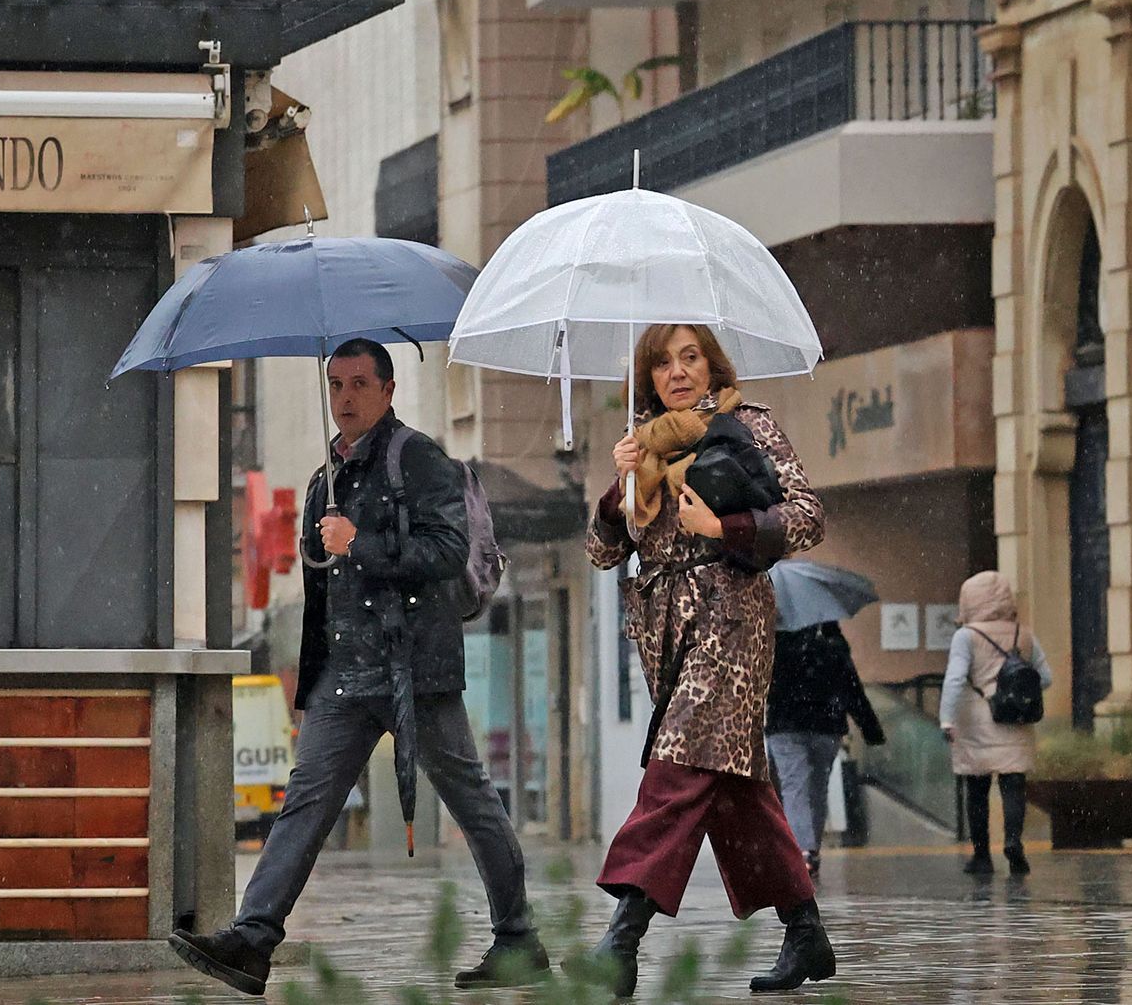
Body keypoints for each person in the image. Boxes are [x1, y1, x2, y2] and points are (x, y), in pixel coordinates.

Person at [169, 338, 545, 996]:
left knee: (472, 801)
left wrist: (360, 541)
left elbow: (447, 551)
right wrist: (310, 684)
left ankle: (518, 937)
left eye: (358, 384)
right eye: (335, 384)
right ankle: (253, 939)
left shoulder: (418, 458)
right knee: (304, 804)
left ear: (387, 390)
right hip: (344, 677)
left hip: (414, 672)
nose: (344, 397)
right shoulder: (324, 480)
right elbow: (321, 598)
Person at [567, 323, 834, 998]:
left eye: (690, 357)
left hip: (733, 617)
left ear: (711, 365)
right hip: (665, 630)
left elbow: (807, 514)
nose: (677, 371)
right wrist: (617, 488)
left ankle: (621, 940)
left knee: (677, 768)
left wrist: (726, 528)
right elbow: (602, 553)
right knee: (734, 788)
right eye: (662, 361)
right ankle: (806, 932)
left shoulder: (746, 424)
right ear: (649, 375)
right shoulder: (644, 446)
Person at [939, 570, 1053, 876]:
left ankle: (981, 856)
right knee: (1013, 786)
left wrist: (947, 718)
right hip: (1015, 718)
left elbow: (955, 679)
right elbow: (1046, 677)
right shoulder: (1023, 633)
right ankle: (1014, 843)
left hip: (976, 720)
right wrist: (1014, 695)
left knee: (976, 787)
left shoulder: (967, 636)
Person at [765, 621, 886, 880]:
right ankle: (811, 849)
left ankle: (804, 851)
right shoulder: (833, 647)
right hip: (826, 727)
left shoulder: (774, 647)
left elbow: (760, 688)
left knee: (794, 786)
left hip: (785, 727)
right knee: (817, 788)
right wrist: (870, 728)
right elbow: (853, 690)